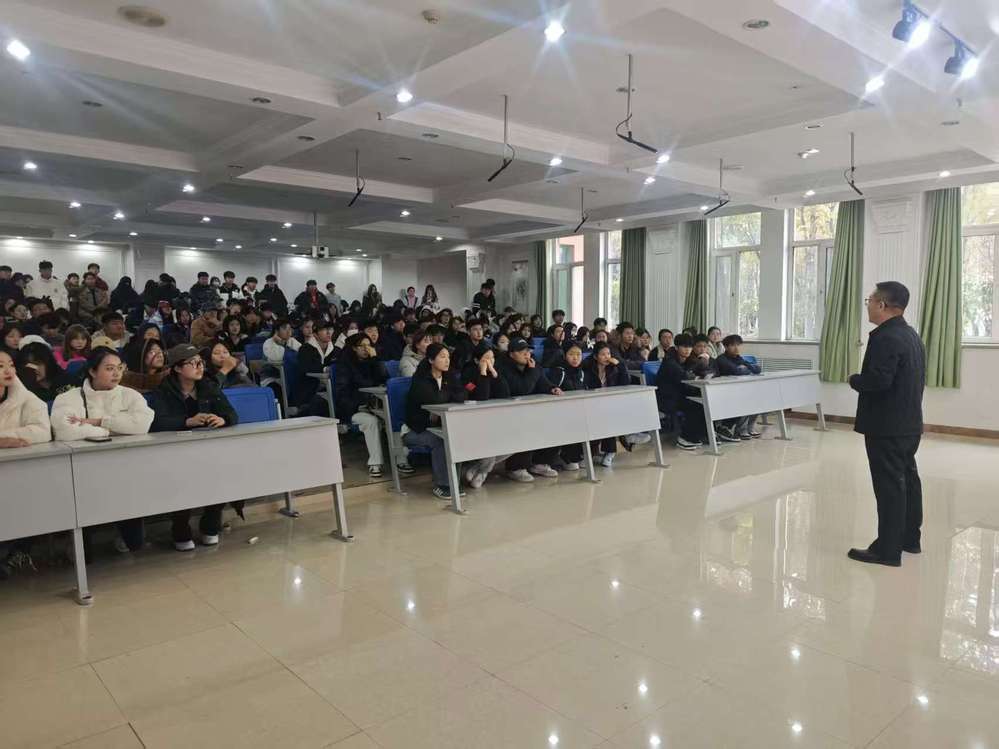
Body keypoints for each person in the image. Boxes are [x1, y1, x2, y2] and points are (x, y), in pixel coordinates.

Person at [847, 282, 926, 568]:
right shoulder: (910, 334)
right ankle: (909, 539)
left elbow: (879, 381)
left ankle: (887, 550)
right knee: (908, 480)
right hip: (908, 423)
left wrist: (855, 380)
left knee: (890, 486)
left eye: (869, 300)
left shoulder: (885, 337)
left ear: (882, 305)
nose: (867, 305)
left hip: (886, 426)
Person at [51, 347, 154, 551]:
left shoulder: (130, 395)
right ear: (92, 371)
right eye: (109, 368)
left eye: (119, 368)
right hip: (84, 472)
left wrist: (98, 421)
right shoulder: (69, 398)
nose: (116, 373)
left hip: (125, 469)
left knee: (136, 544)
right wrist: (109, 430)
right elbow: (65, 430)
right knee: (85, 543)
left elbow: (142, 425)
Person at [149, 344, 238, 551]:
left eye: (201, 362)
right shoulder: (163, 391)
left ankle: (210, 524)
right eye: (193, 363)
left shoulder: (208, 386)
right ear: (178, 368)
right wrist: (187, 421)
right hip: (175, 452)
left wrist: (222, 419)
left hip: (208, 449)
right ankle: (180, 527)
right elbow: (156, 423)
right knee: (180, 479)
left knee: (222, 472)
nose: (200, 367)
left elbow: (232, 414)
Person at [335, 333, 412, 478]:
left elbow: (385, 379)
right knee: (371, 421)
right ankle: (375, 463)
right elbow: (342, 395)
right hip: (354, 408)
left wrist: (376, 359)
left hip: (375, 405)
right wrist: (357, 405)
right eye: (362, 346)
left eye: (369, 345)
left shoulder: (372, 362)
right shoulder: (344, 366)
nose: (366, 349)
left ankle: (401, 459)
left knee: (393, 417)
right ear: (354, 348)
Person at [403, 343, 467, 499]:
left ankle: (453, 482)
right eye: (442, 357)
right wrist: (450, 393)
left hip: (439, 426)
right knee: (441, 440)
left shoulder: (449, 376)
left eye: (448, 357)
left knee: (455, 437)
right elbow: (434, 400)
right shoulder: (420, 379)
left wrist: (449, 393)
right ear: (431, 360)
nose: (447, 360)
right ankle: (442, 485)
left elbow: (462, 395)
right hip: (416, 430)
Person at [498, 337, 563, 481]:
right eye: (522, 351)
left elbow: (543, 382)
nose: (526, 354)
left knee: (555, 424)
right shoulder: (504, 368)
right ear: (511, 354)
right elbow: (522, 389)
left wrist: (552, 388)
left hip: (532, 409)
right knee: (525, 427)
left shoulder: (534, 365)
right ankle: (516, 467)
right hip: (510, 412)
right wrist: (532, 372)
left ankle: (540, 463)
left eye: (528, 350)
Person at [654, 333, 709, 450]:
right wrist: (696, 371)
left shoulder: (689, 359)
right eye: (684, 347)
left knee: (703, 402)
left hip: (680, 394)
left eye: (690, 347)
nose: (687, 350)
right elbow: (685, 375)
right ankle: (684, 438)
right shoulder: (669, 360)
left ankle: (700, 435)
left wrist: (703, 365)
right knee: (694, 405)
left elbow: (702, 371)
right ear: (676, 347)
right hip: (666, 398)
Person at [0, 348, 51, 448]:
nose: (8, 371)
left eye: (11, 365)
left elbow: (43, 431)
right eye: (0, 366)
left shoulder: (26, 397)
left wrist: (4, 438)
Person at [715, 334, 762, 439]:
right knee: (745, 400)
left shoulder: (738, 358)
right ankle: (740, 429)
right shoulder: (721, 359)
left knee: (757, 399)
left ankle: (749, 427)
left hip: (737, 389)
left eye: (738, 345)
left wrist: (744, 368)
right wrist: (744, 369)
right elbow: (737, 371)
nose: (736, 348)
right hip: (723, 391)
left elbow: (757, 369)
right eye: (733, 345)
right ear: (726, 347)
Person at [295, 319, 336, 412]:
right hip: (309, 391)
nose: (328, 332)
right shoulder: (305, 349)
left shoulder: (335, 350)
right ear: (315, 334)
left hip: (329, 388)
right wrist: (325, 369)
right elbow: (307, 368)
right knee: (322, 404)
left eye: (330, 329)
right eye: (324, 330)